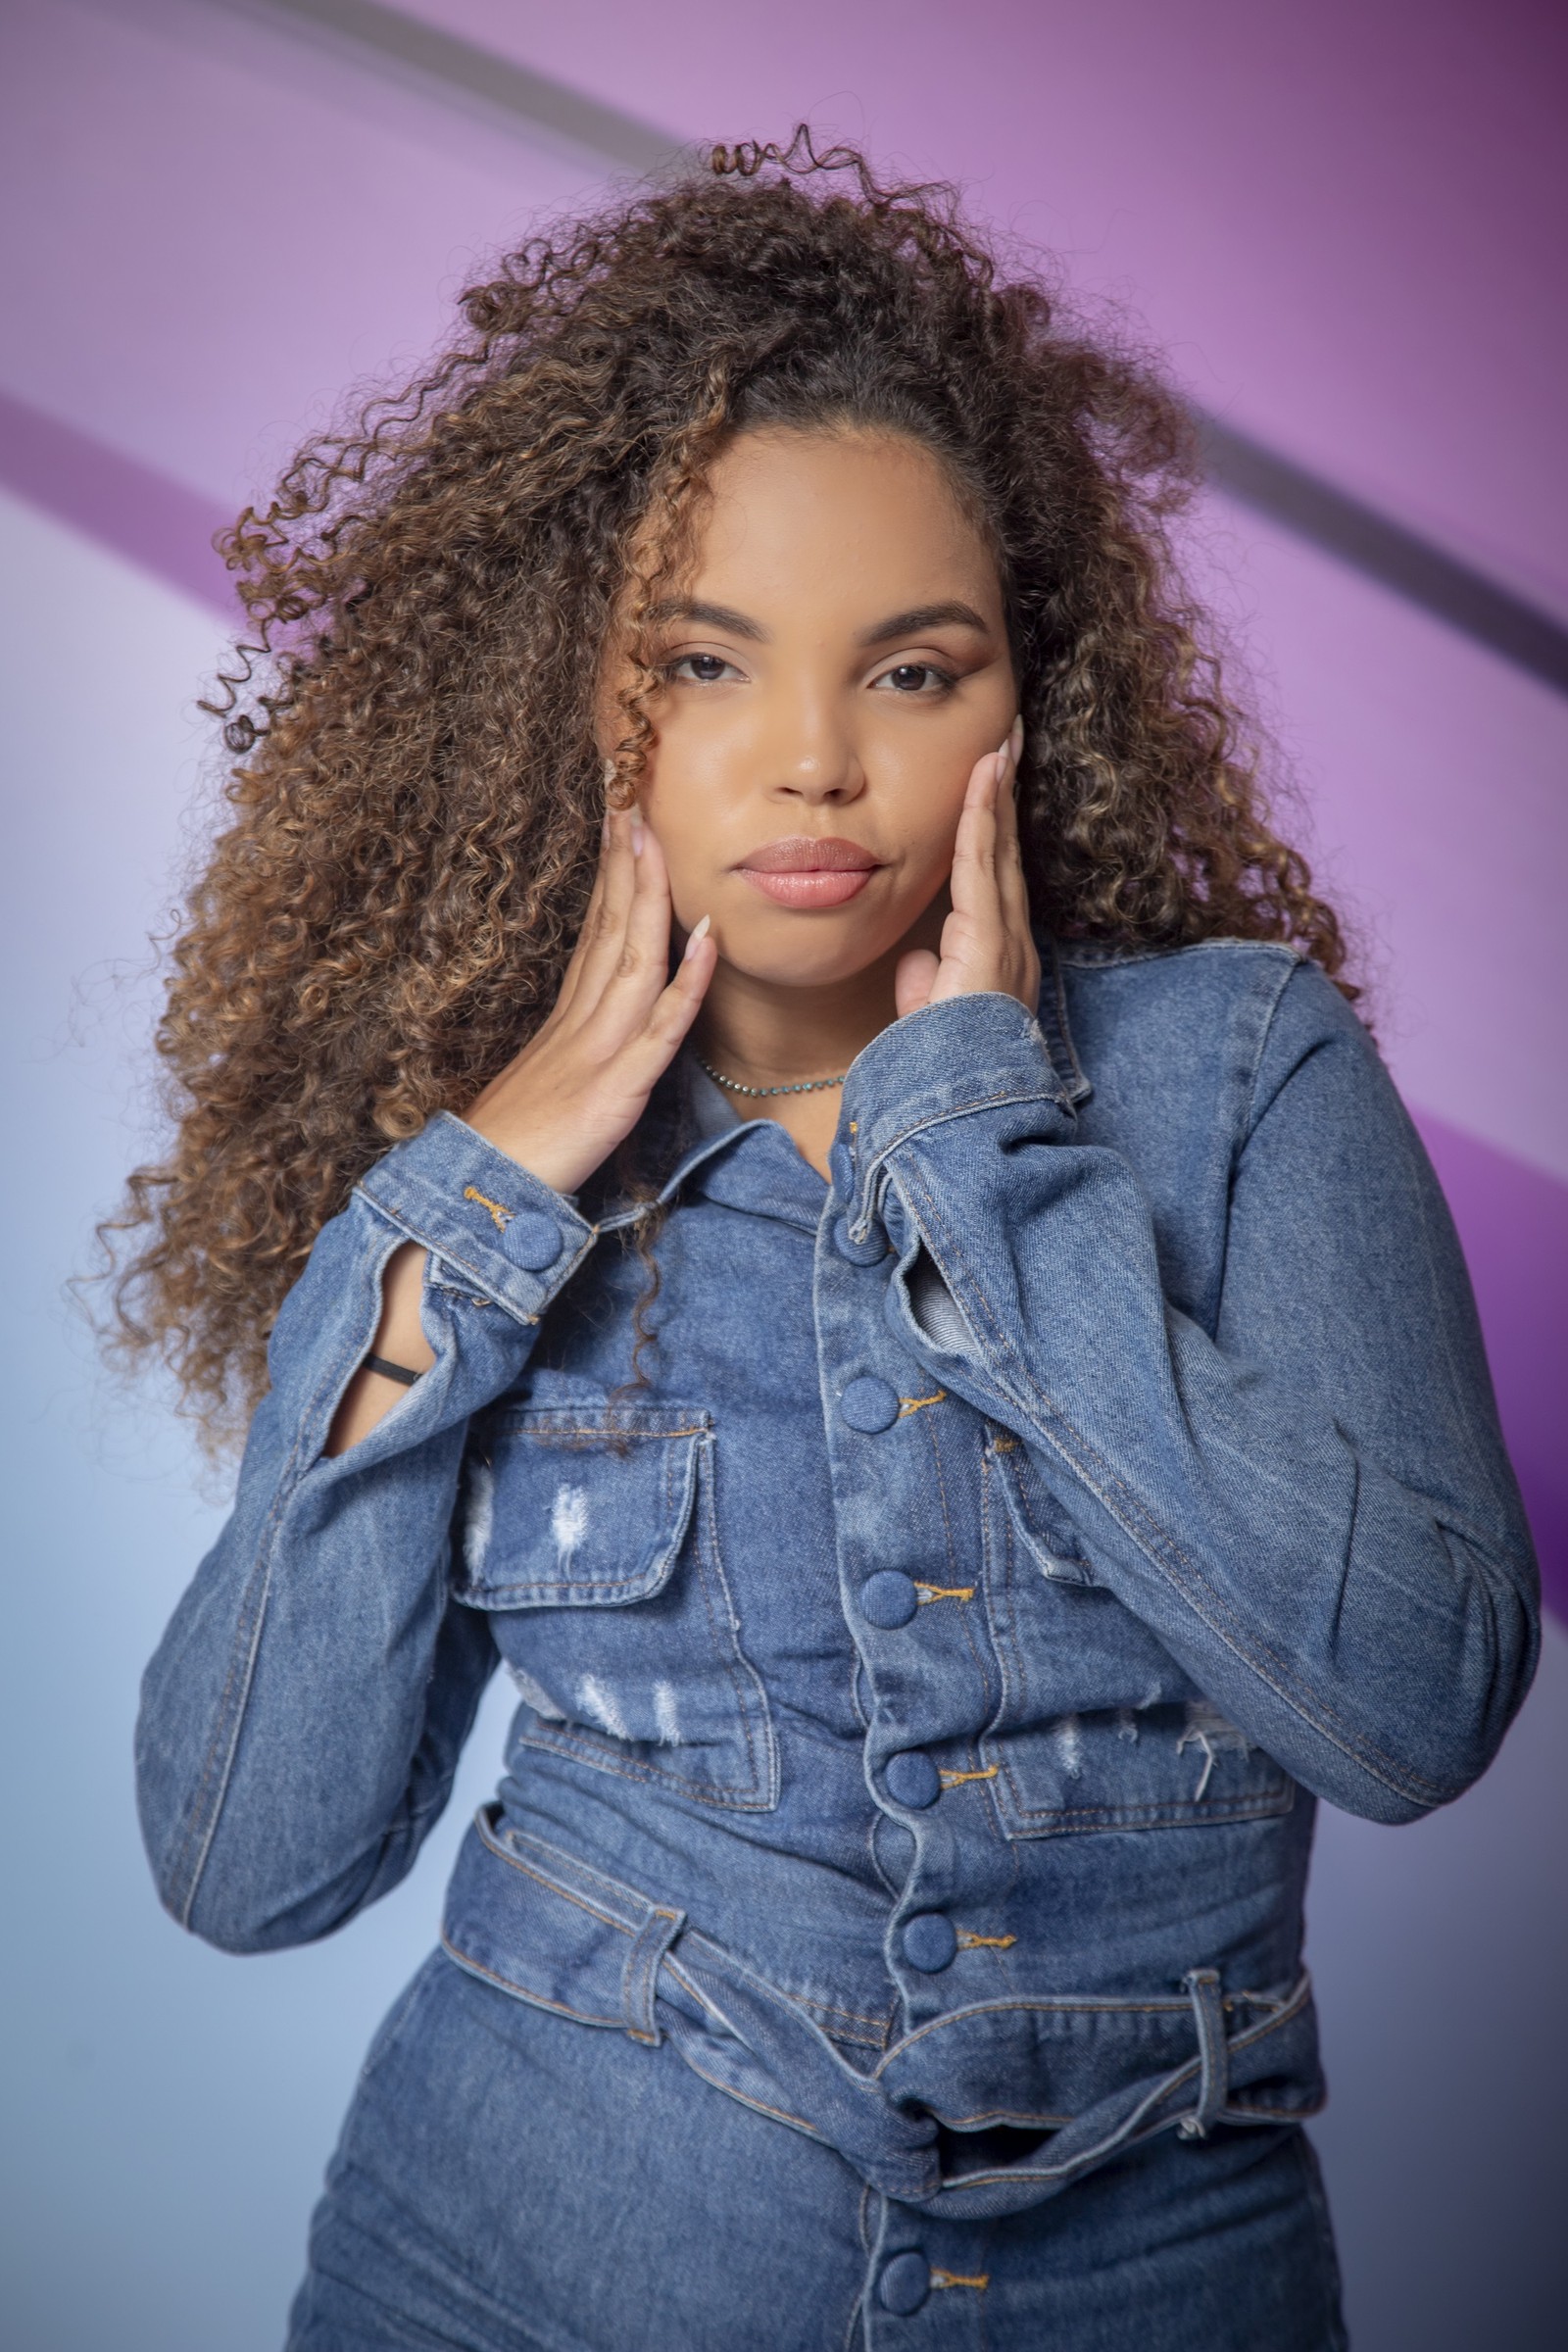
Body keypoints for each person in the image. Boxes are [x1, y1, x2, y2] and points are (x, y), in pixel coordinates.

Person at [115, 136, 1538, 2349]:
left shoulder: (1238, 1073)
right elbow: (241, 1859)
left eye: (907, 671)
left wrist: (972, 1140)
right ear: (572, 701)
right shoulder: (481, 1181)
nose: (808, 762)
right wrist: (461, 1220)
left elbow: (1415, 1708)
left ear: (1018, 703)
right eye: (704, 662)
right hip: (517, 2262)